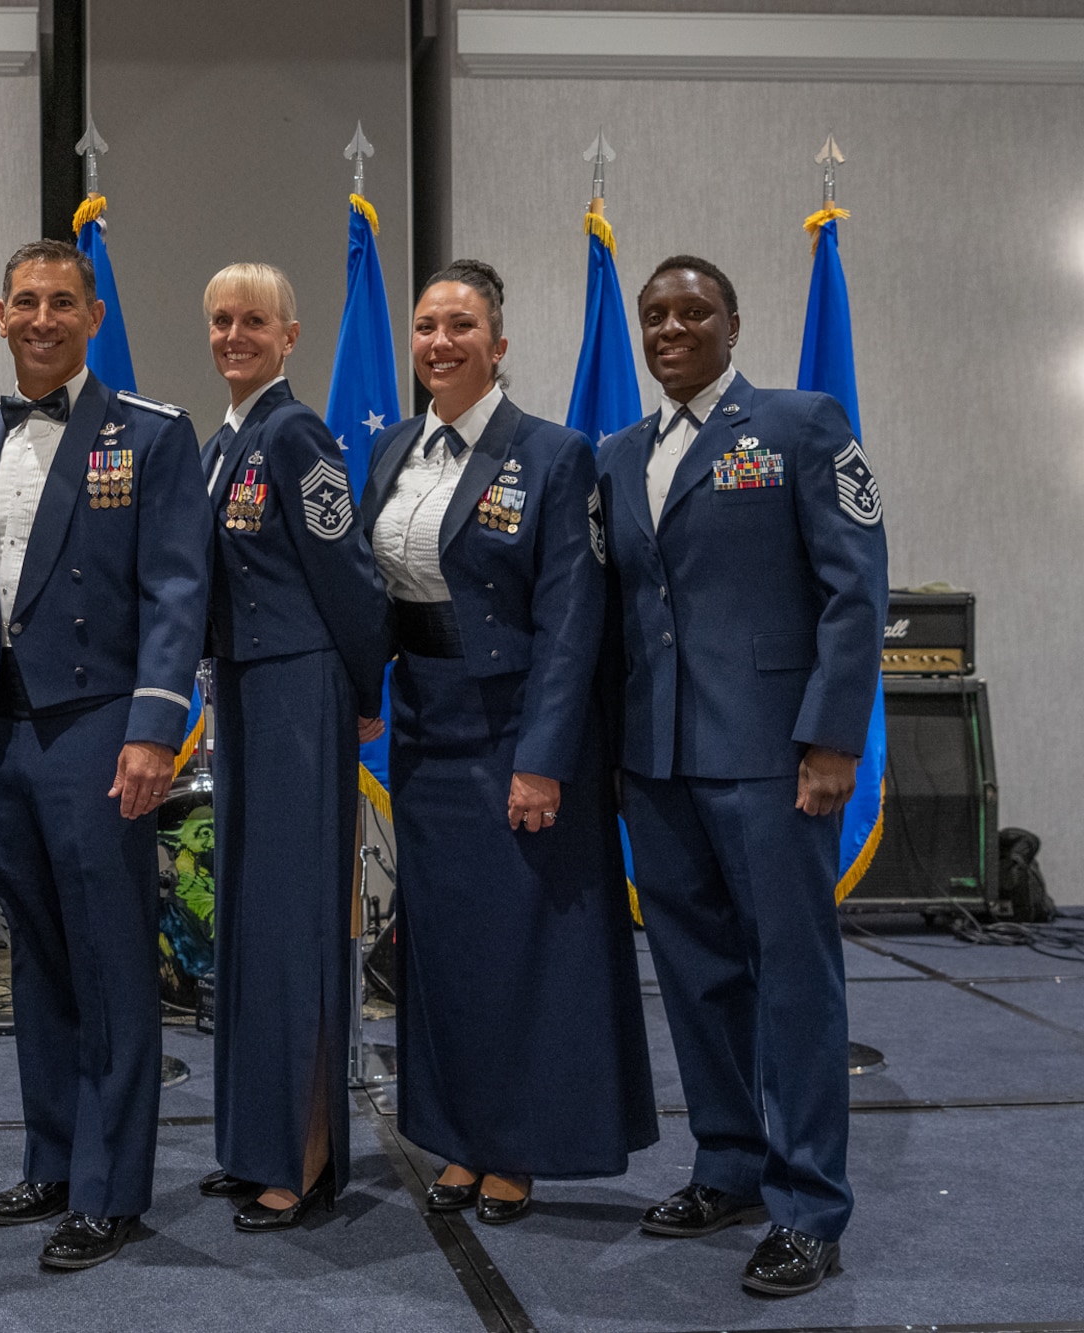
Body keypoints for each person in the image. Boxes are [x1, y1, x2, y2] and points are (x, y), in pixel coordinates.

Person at [598, 255, 887, 1296]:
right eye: (654, 315)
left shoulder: (799, 424)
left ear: (732, 322)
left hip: (773, 758)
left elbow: (855, 588)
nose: (670, 328)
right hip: (658, 759)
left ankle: (809, 1205)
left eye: (693, 311)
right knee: (694, 977)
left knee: (794, 982)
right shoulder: (617, 453)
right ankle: (727, 1163)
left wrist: (833, 739)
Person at [0, 239, 209, 1271]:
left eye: (61, 301)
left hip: (99, 726)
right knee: (37, 957)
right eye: (25, 302)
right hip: (0, 732)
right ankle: (51, 1159)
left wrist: (153, 730)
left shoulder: (150, 434)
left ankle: (109, 1185)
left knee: (109, 959)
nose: (41, 318)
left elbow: (177, 591)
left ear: (93, 315)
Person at [359, 259, 656, 1227]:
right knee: (444, 949)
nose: (439, 342)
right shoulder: (393, 448)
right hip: (425, 723)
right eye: (425, 326)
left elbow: (572, 621)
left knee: (523, 946)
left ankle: (517, 1146)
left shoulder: (552, 453)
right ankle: (456, 1135)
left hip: (514, 728)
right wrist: (358, 691)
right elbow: (373, 591)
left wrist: (542, 758)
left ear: (497, 343)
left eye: (460, 325)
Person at [193, 263, 388, 1230]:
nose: (235, 336)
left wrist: (362, 691)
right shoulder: (222, 441)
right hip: (243, 689)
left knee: (296, 925)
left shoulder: (295, 433)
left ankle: (304, 1159)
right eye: (222, 320)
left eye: (255, 321)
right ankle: (253, 1140)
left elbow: (347, 572)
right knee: (247, 926)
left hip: (301, 692)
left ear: (290, 335)